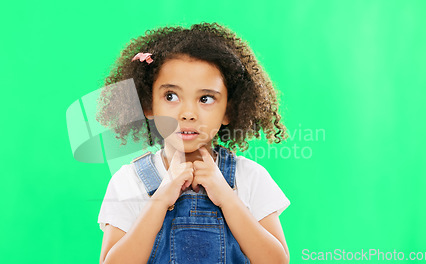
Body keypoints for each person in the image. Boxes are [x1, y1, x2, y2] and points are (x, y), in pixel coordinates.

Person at [96, 22, 290, 264]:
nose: (188, 113)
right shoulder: (129, 181)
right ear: (148, 104)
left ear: (228, 110)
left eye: (206, 98)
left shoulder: (249, 177)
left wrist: (227, 197)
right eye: (171, 96)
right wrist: (161, 199)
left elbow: (277, 261)